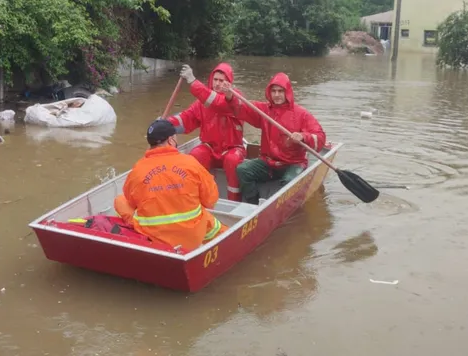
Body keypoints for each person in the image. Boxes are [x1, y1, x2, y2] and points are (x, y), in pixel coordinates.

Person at [113, 119, 228, 251]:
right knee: (204, 214)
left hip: (154, 238)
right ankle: (226, 240)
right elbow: (211, 200)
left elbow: (132, 201)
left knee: (120, 200)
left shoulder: (138, 169)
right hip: (192, 238)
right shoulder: (190, 163)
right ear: (170, 140)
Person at [226, 72, 327, 204]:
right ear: (269, 92)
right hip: (268, 162)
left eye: (280, 91)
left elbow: (320, 136)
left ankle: (281, 206)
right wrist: (230, 96)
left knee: (289, 182)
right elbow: (243, 107)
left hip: (293, 163)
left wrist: (303, 136)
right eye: (273, 91)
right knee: (242, 170)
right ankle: (253, 204)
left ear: (287, 92)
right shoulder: (264, 110)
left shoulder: (301, 114)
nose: (277, 95)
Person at [167, 63, 247, 201]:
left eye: (221, 80)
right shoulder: (203, 101)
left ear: (229, 82)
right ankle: (193, 199)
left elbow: (217, 103)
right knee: (194, 156)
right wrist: (166, 124)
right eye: (215, 80)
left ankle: (234, 201)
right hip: (210, 148)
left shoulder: (235, 98)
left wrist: (192, 81)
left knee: (232, 160)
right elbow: (187, 119)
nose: (217, 83)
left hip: (232, 149)